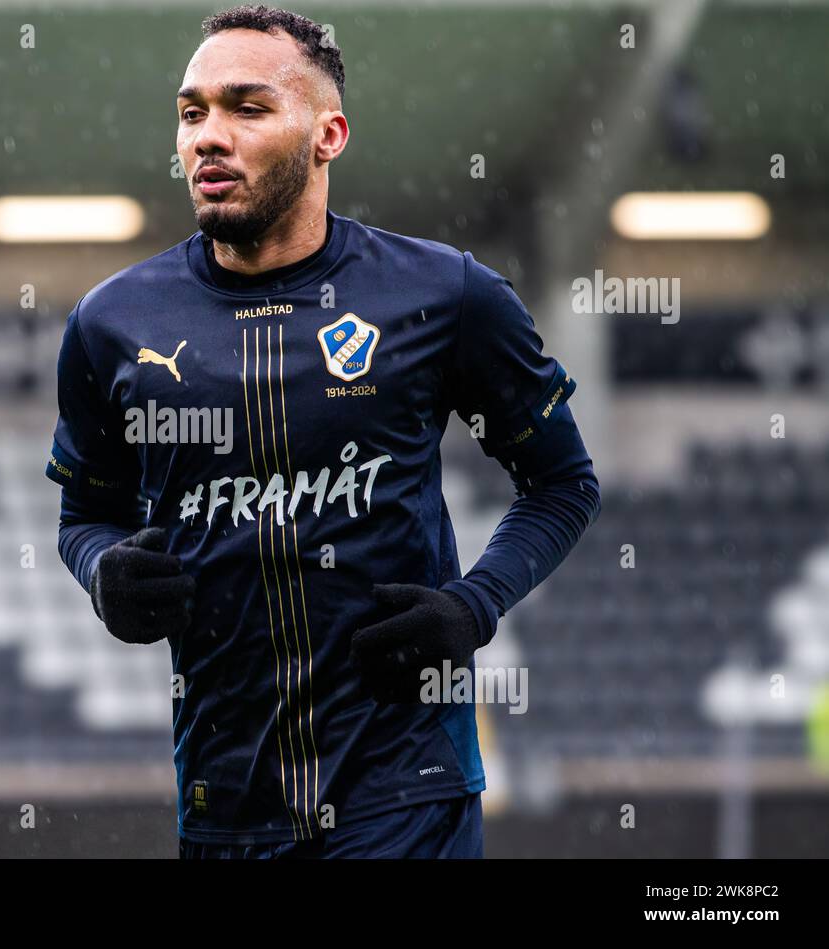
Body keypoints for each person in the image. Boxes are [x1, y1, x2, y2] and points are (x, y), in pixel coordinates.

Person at [45, 4, 600, 858]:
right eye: (192, 113)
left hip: (408, 798)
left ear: (327, 134)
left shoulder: (446, 293)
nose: (207, 138)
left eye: (247, 108)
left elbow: (562, 483)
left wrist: (473, 606)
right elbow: (85, 517)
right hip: (224, 806)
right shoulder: (111, 322)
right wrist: (104, 571)